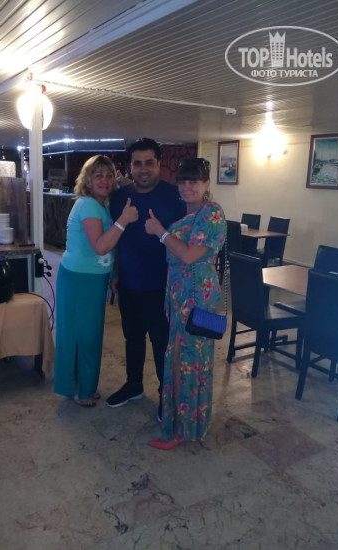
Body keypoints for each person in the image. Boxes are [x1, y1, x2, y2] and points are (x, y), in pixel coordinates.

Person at [145, 158, 226, 449]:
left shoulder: (212, 212)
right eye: (183, 181)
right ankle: (191, 424)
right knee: (188, 358)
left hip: (196, 294)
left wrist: (160, 231)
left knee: (186, 360)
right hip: (182, 292)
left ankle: (181, 429)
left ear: (207, 184)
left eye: (194, 181)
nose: (187, 186)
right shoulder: (191, 213)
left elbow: (190, 255)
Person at [106, 138, 186, 418]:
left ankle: (166, 395)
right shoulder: (119, 197)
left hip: (163, 287)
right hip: (128, 284)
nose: (143, 169)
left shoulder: (175, 196)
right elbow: (116, 238)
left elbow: (186, 239)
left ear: (158, 164)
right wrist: (116, 273)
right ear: (130, 166)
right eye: (137, 163)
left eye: (149, 163)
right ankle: (134, 385)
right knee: (132, 339)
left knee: (162, 344)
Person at [53, 155, 138, 407]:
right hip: (80, 280)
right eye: (98, 175)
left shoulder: (101, 204)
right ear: (87, 179)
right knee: (84, 336)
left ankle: (79, 386)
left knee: (84, 334)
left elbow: (104, 248)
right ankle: (82, 392)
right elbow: (100, 246)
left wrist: (111, 274)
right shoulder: (89, 205)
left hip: (89, 278)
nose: (104, 180)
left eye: (109, 175)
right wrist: (124, 219)